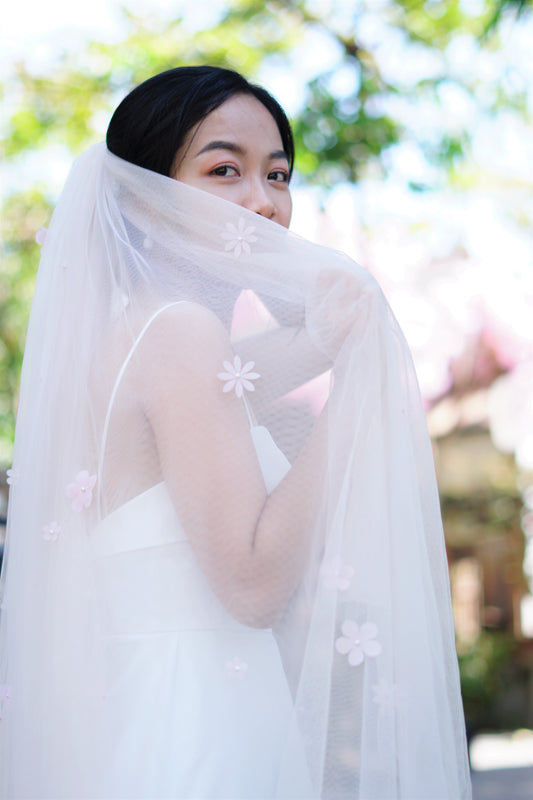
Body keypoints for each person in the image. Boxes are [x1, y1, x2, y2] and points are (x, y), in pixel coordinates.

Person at [0, 66, 471, 799]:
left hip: (156, 714)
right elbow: (253, 587)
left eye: (278, 175)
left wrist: (325, 340)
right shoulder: (179, 336)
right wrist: (359, 385)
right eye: (225, 170)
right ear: (145, 197)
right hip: (195, 732)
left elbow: (239, 389)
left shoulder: (139, 340)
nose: (264, 202)